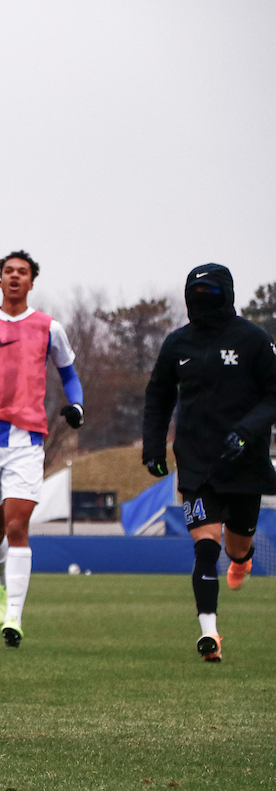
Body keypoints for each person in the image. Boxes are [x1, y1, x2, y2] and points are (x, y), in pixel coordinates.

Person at [142, 263, 276, 662]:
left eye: (210, 294)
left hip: (244, 463)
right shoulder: (177, 344)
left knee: (235, 548)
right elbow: (158, 398)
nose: (201, 301)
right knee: (205, 547)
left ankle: (243, 559)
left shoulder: (253, 340)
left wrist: (246, 432)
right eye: (195, 295)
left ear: (227, 295)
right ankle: (209, 634)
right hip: (196, 464)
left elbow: (273, 395)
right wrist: (153, 448)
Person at [0, 251, 85, 647]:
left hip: (27, 440)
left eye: (22, 272)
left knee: (18, 526)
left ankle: (13, 618)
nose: (15, 277)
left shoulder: (49, 327)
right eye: (8, 271)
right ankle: (1, 583)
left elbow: (69, 374)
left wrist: (77, 405)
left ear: (32, 282)